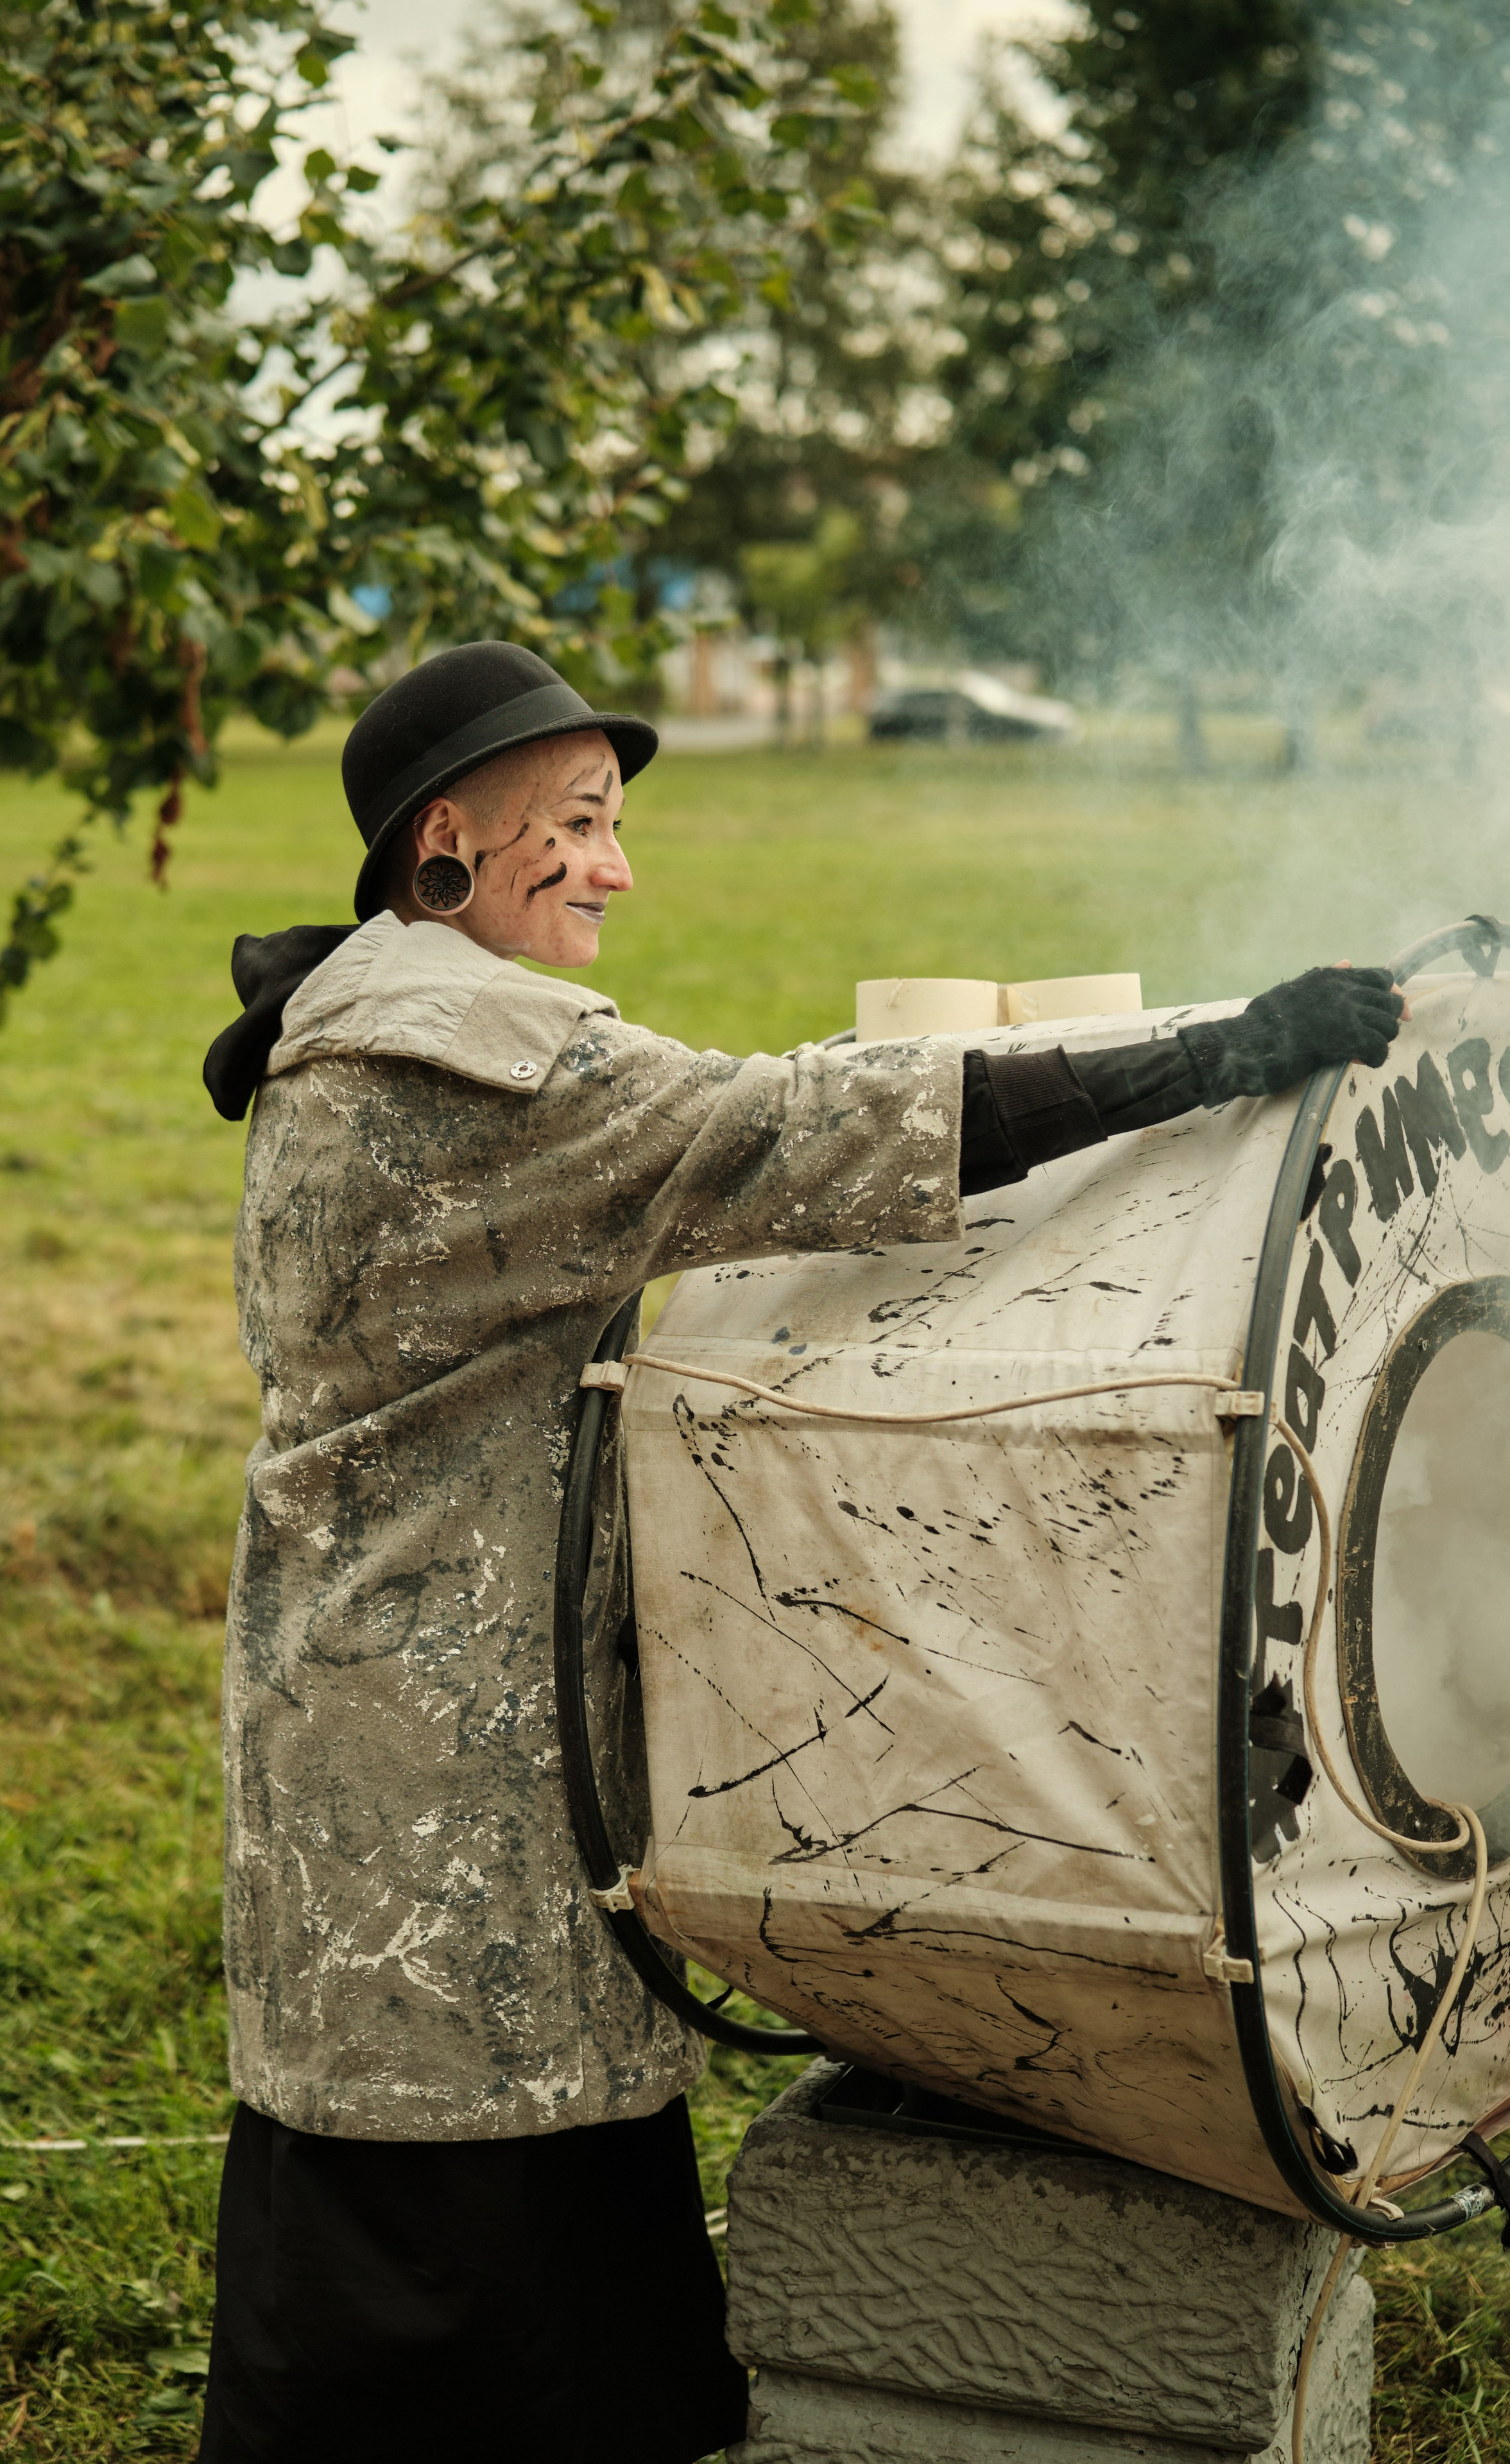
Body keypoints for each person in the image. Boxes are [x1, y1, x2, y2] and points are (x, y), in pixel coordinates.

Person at [198, 640, 1404, 2462]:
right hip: (448, 1742)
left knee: (429, 2143)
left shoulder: (355, 1027)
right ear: (445, 840)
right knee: (457, 2225)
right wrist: (1211, 1057)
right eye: (578, 824)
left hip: (359, 1683)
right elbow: (807, 1128)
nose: (616, 866)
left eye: (616, 824)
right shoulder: (475, 1075)